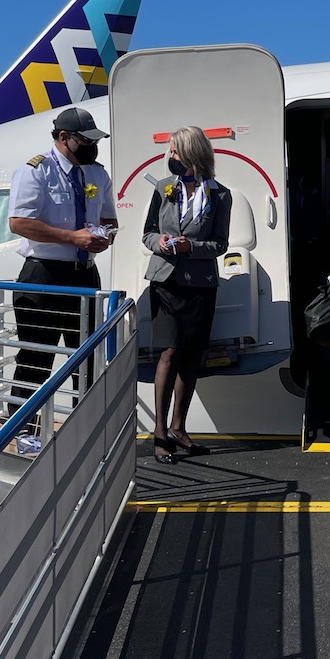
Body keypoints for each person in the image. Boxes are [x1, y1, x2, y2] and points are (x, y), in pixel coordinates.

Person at [6, 106, 118, 411]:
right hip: (44, 275)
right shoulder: (37, 170)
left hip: (84, 273)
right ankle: (23, 430)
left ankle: (86, 421)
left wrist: (105, 236)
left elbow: (108, 217)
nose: (91, 148)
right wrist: (72, 237)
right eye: (85, 141)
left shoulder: (97, 173)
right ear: (64, 137)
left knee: (86, 358)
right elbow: (19, 222)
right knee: (35, 358)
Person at [143, 126, 233, 463]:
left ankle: (179, 427)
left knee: (192, 356)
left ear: (193, 155)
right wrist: (162, 243)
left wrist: (190, 246)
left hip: (199, 281)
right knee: (168, 351)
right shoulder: (164, 189)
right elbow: (148, 233)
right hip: (165, 280)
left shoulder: (220, 195)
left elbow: (220, 244)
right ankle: (160, 431)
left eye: (176, 152)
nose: (171, 158)